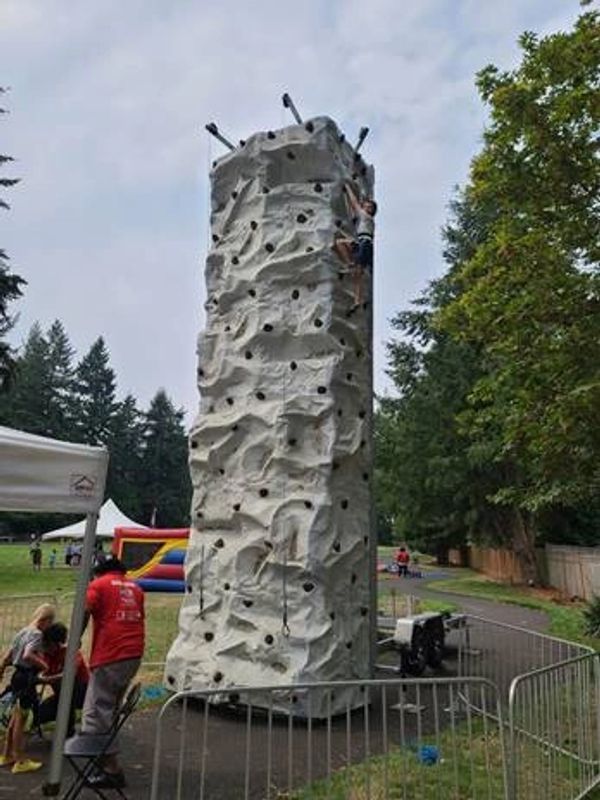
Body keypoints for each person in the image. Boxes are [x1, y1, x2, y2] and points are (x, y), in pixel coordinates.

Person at [78, 556, 145, 789]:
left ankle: (110, 770)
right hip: (132, 654)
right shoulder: (136, 587)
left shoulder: (98, 584)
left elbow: (83, 611)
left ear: (99, 571)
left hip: (110, 654)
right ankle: (105, 761)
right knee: (111, 708)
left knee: (95, 713)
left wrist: (75, 639)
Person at [0, 603, 56, 773]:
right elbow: (28, 654)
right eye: (50, 623)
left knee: (15, 718)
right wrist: (45, 666)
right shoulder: (36, 634)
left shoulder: (23, 631)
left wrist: (2, 668)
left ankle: (7, 754)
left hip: (17, 676)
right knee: (21, 719)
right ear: (45, 620)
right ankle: (19, 759)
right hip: (27, 678)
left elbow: (9, 655)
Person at [37, 623, 89, 736]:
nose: (45, 648)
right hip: (62, 696)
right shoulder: (48, 655)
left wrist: (48, 679)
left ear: (57, 643)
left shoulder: (71, 652)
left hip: (82, 694)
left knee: (66, 686)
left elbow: (70, 673)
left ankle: (69, 731)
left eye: (48, 645)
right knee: (40, 714)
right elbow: (41, 671)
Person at [334, 182, 377, 314]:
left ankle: (349, 265)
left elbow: (354, 203)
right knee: (358, 275)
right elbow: (355, 208)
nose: (365, 208)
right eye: (366, 206)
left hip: (364, 244)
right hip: (365, 245)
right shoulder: (367, 219)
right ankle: (357, 301)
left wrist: (347, 188)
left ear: (370, 210)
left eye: (368, 207)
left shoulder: (365, 216)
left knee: (340, 243)